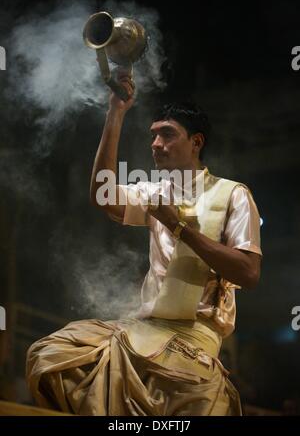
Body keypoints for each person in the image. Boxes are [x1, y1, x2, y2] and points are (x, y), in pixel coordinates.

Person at [26, 75, 262, 416]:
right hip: (143, 329)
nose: (155, 143)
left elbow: (249, 273)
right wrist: (116, 112)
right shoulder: (154, 192)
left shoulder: (233, 194)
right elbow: (102, 196)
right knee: (50, 355)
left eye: (167, 134)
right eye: (153, 135)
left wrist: (179, 227)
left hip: (194, 338)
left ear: (196, 142)